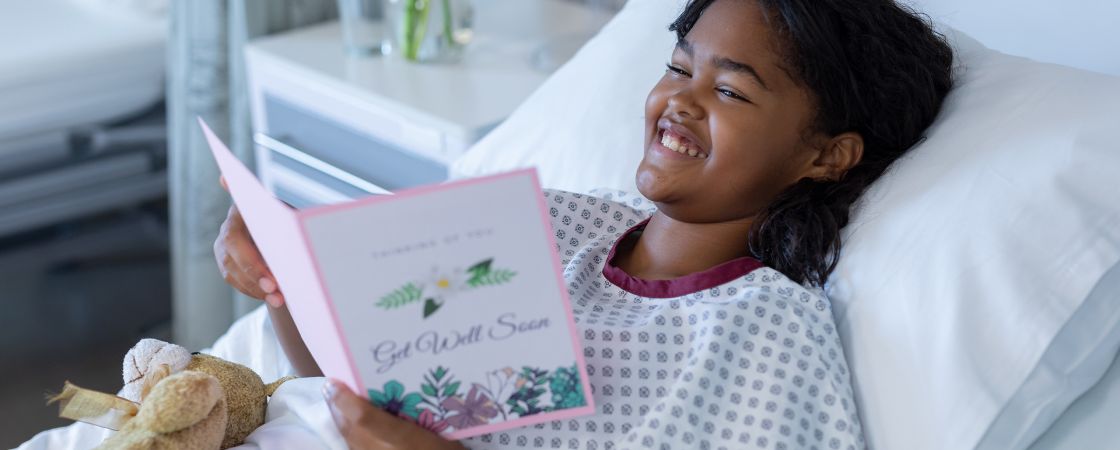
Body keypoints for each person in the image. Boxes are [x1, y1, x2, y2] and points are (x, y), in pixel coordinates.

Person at [215, 0, 953, 448]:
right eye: (677, 67)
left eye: (729, 89)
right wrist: (279, 275)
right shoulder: (547, 220)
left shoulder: (766, 334)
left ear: (826, 156)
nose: (680, 102)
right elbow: (342, 380)